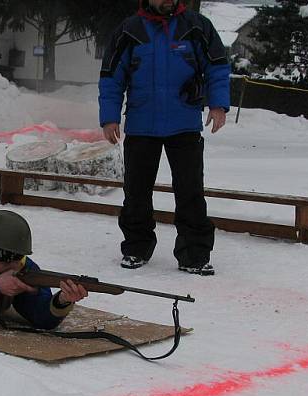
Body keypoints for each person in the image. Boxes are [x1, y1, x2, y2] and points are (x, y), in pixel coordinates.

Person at [99, 0, 231, 275]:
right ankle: (136, 248)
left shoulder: (197, 26)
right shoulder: (129, 30)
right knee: (136, 193)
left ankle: (194, 254)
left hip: (185, 125)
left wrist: (218, 104)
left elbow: (217, 66)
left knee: (190, 192)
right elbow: (112, 76)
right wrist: (110, 117)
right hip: (140, 125)